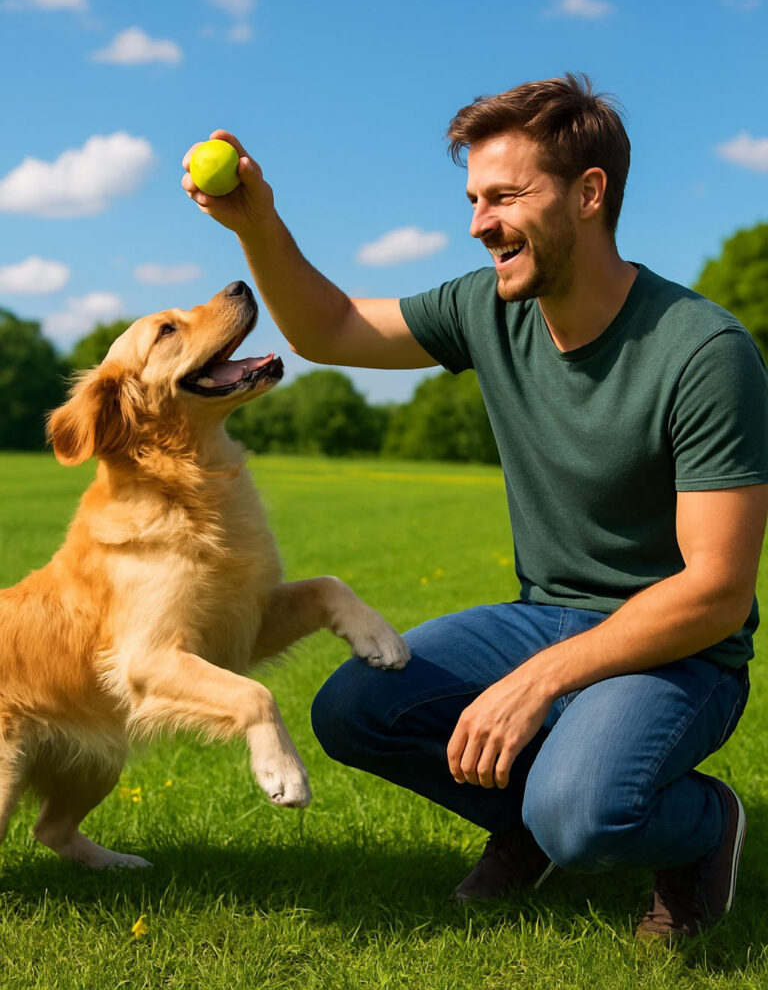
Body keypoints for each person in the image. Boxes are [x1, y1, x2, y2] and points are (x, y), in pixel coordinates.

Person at [182, 74, 768, 941]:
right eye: (472, 198)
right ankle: (524, 822)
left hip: (680, 651)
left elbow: (717, 591)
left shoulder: (704, 352)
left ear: (589, 194)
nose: (478, 223)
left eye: (504, 197)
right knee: (354, 709)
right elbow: (330, 328)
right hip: (548, 617)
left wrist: (538, 682)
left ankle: (701, 826)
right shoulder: (487, 307)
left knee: (586, 817)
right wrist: (254, 222)